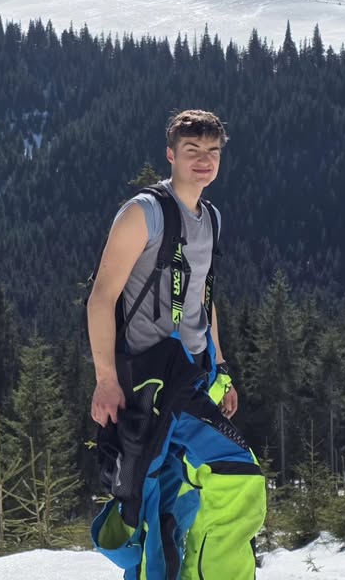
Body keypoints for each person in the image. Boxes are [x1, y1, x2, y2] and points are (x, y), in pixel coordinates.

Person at [88, 109, 266, 580]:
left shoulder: (211, 218)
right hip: (149, 383)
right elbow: (101, 297)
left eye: (213, 151)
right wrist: (105, 380)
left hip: (191, 377)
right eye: (192, 150)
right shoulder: (142, 214)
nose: (204, 160)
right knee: (234, 476)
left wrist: (220, 367)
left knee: (170, 504)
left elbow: (203, 297)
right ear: (171, 154)